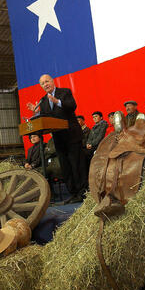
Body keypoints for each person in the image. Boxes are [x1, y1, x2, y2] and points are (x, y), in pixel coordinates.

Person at [27, 74, 88, 203]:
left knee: (77, 165)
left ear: (52, 81)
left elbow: (72, 106)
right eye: (42, 83)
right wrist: (36, 112)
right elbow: (45, 118)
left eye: (47, 81)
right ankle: (73, 193)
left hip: (71, 135)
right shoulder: (43, 101)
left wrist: (57, 102)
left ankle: (83, 192)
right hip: (58, 139)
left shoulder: (64, 92)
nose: (45, 84)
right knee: (66, 167)